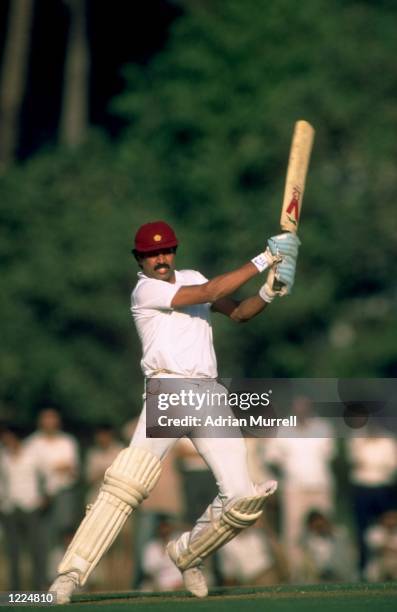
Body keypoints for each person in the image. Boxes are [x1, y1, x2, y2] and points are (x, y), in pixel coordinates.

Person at [50, 220, 299, 603]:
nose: (161, 259)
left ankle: (187, 554)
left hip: (209, 393)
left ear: (174, 251)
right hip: (168, 390)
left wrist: (268, 292)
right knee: (125, 485)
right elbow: (213, 290)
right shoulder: (145, 290)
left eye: (166, 251)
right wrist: (266, 258)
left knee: (242, 498)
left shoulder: (191, 276)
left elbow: (238, 313)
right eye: (152, 254)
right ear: (140, 259)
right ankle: (70, 575)